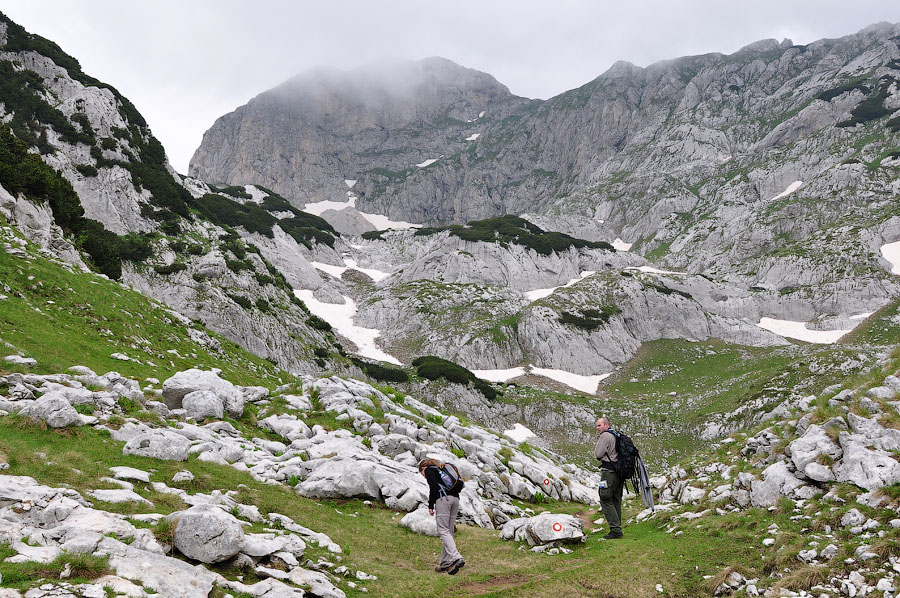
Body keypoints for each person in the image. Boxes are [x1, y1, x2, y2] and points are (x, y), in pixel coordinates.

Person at [418, 458, 465, 574]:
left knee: (443, 530)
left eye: (422, 473)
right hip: (455, 500)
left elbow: (433, 487)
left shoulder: (429, 470)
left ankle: (456, 557)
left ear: (423, 468)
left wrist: (430, 505)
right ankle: (445, 564)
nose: (424, 476)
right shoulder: (441, 471)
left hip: (443, 499)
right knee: (448, 531)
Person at [594, 416, 624, 539]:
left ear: (607, 425)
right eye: (597, 425)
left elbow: (598, 454)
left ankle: (615, 530)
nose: (597, 428)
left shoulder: (606, 436)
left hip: (608, 472)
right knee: (616, 498)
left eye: (599, 425)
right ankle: (617, 527)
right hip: (619, 472)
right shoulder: (616, 435)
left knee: (605, 497)